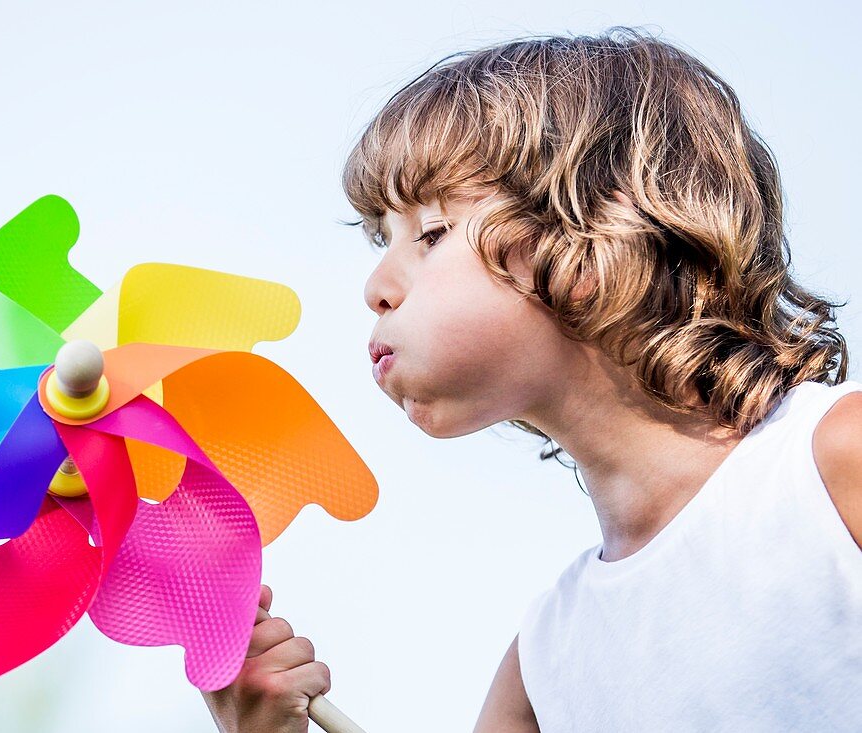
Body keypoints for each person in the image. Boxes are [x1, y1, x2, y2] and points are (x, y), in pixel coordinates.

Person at [201, 27, 862, 732]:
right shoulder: (544, 665)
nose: (376, 286)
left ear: (594, 240)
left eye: (430, 234)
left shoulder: (832, 466)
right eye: (380, 241)